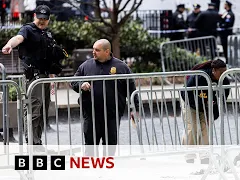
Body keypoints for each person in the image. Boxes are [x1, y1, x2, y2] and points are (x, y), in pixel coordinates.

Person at [2, 5, 65, 147]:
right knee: (33, 110)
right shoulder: (28, 29)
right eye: (39, 18)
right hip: (34, 77)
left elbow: (49, 58)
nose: (42, 21)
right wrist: (9, 45)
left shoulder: (47, 34)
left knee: (43, 111)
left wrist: (52, 78)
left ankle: (38, 141)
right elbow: (18, 38)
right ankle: (31, 142)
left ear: (48, 19)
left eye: (45, 18)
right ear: (35, 16)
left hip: (45, 77)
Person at [71, 39, 139, 156]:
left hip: (112, 113)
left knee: (110, 142)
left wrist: (136, 109)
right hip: (90, 112)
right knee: (90, 142)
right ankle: (91, 167)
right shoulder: (86, 66)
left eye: (97, 50)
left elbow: (131, 89)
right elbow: (73, 81)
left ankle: (108, 165)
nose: (93, 52)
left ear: (107, 51)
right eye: (93, 49)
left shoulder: (121, 67)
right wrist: (81, 84)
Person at [180, 59, 230, 164]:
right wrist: (198, 106)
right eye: (221, 73)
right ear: (214, 70)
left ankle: (205, 156)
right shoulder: (199, 76)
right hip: (190, 101)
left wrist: (213, 114)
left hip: (206, 106)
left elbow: (222, 100)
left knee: (206, 128)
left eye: (225, 73)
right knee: (192, 127)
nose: (223, 75)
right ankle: (189, 156)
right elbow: (186, 93)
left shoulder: (224, 81)